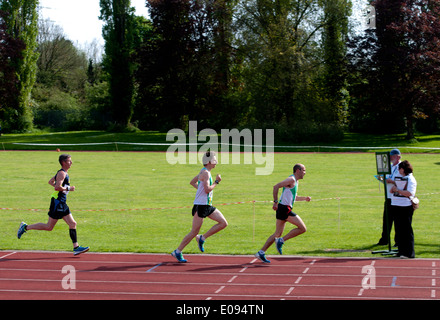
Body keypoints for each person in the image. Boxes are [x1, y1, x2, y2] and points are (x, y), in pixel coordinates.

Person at [17, 154, 89, 256]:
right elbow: (57, 187)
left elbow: (51, 182)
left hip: (61, 202)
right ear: (63, 162)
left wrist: (62, 188)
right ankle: (25, 227)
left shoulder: (63, 173)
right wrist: (68, 188)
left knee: (68, 224)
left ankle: (76, 248)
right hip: (57, 202)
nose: (71, 162)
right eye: (69, 161)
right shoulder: (62, 173)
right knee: (51, 226)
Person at [171, 151, 228, 263]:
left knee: (223, 223)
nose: (216, 162)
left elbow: (192, 182)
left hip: (207, 205)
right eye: (215, 160)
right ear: (208, 162)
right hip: (201, 206)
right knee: (194, 231)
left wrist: (200, 191)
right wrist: (216, 182)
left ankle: (202, 238)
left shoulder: (204, 172)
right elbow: (207, 189)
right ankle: (177, 251)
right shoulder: (206, 173)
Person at [255, 163, 311, 263]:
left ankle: (261, 252)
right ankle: (281, 240)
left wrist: (304, 198)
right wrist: (275, 202)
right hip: (284, 209)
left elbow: (294, 197)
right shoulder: (291, 180)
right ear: (298, 170)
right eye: (304, 170)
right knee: (302, 228)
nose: (305, 173)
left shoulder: (296, 182)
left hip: (283, 208)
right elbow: (276, 187)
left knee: (277, 233)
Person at [390, 160, 417, 258]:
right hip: (396, 205)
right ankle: (401, 251)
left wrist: (398, 190)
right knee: (399, 229)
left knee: (406, 230)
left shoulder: (411, 179)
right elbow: (392, 190)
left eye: (399, 168)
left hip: (405, 207)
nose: (398, 170)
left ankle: (409, 252)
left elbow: (410, 193)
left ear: (403, 169)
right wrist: (393, 189)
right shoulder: (399, 177)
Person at [376, 148, 402, 246]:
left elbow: (401, 180)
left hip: (397, 197)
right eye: (390, 156)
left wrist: (391, 181)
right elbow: (386, 178)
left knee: (397, 221)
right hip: (388, 196)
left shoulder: (401, 167)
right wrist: (380, 178)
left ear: (398, 156)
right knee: (386, 220)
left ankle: (398, 241)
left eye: (393, 156)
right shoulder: (390, 167)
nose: (391, 158)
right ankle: (384, 239)